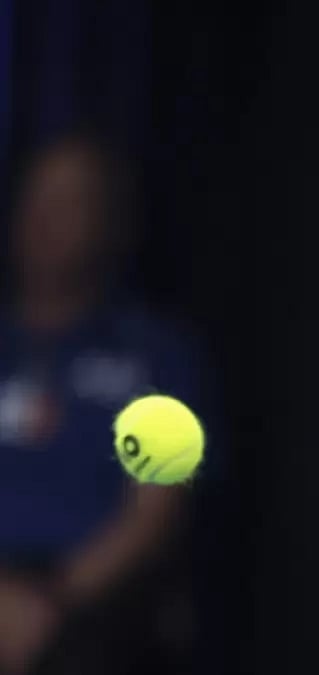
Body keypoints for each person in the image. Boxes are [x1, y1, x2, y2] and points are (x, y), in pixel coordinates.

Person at [0, 131, 216, 675]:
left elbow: (158, 508)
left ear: (111, 222)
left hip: (87, 600)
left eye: (71, 201)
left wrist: (52, 598)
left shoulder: (154, 353)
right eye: (37, 198)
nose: (47, 219)